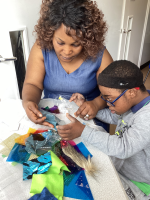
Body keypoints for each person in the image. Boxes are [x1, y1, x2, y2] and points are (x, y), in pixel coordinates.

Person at [57, 60, 150, 199]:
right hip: (122, 168)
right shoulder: (132, 104)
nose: (107, 103)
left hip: (140, 185)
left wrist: (83, 131)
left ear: (131, 92)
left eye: (110, 99)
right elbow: (116, 118)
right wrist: (89, 109)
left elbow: (123, 147)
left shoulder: (147, 116)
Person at [22, 0, 113, 129]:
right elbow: (33, 84)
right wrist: (29, 101)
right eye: (60, 43)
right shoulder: (41, 48)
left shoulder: (99, 54)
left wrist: (96, 104)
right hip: (51, 115)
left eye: (76, 44)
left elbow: (113, 93)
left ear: (87, 39)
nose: (67, 52)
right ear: (50, 35)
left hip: (87, 118)